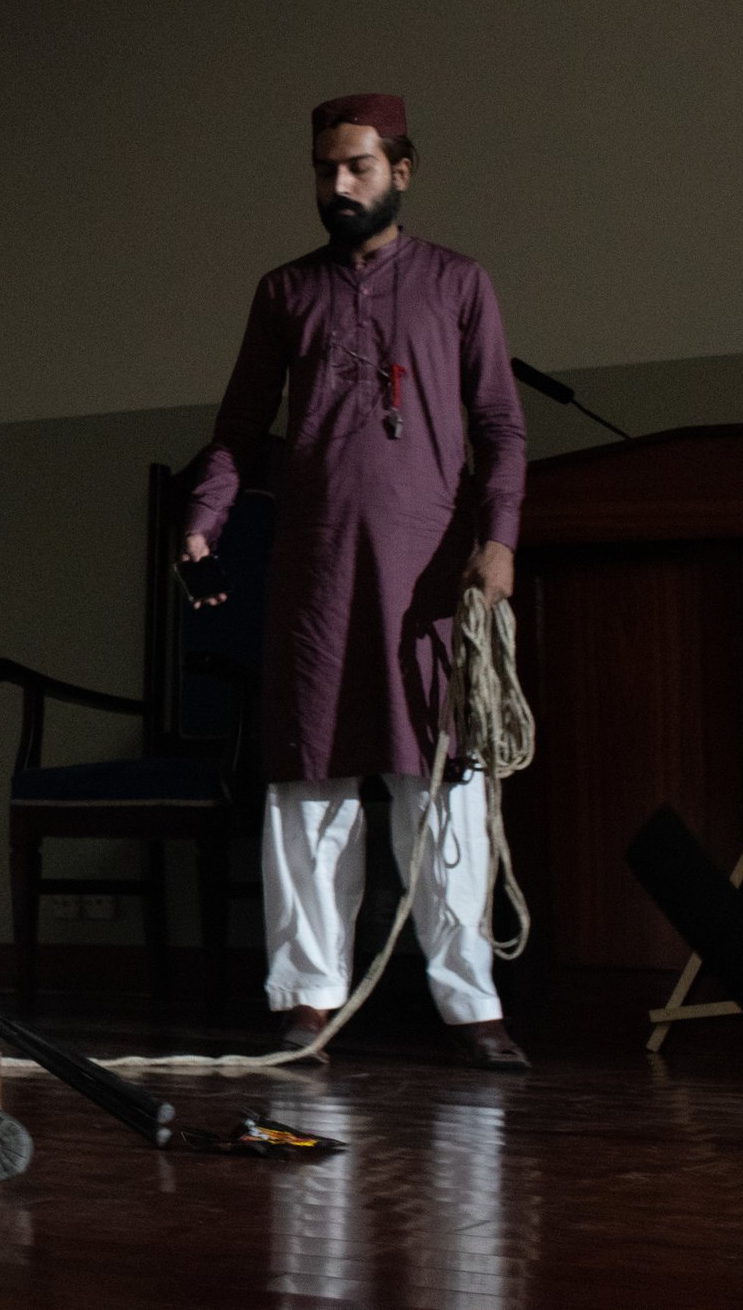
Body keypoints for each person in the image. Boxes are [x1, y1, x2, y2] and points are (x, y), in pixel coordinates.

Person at [182, 93, 530, 1071]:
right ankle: (307, 1000)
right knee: (309, 783)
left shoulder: (458, 282)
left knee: (441, 786)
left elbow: (500, 425)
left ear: (401, 171)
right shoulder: (284, 291)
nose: (338, 185)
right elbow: (238, 430)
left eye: (358, 167)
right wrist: (204, 520)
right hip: (318, 575)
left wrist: (499, 540)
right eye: (325, 168)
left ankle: (471, 1005)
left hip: (428, 577)